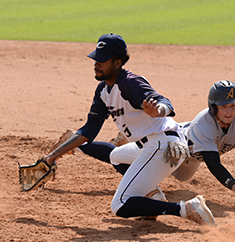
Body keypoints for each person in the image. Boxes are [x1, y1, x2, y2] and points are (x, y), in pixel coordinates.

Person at [43, 33, 216, 226]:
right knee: (116, 155)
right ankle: (153, 196)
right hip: (150, 145)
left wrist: (157, 110)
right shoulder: (103, 91)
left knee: (120, 204)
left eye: (102, 60)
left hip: (164, 146)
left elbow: (165, 102)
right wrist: (51, 156)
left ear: (117, 63)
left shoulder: (130, 82)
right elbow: (88, 131)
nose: (96, 63)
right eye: (95, 59)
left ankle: (186, 209)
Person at [66, 80, 235, 206]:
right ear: (213, 107)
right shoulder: (204, 123)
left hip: (188, 162)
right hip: (170, 148)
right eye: (223, 106)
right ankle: (75, 142)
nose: (228, 111)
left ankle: (133, 155)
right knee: (116, 156)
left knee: (183, 178)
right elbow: (213, 163)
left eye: (233, 105)